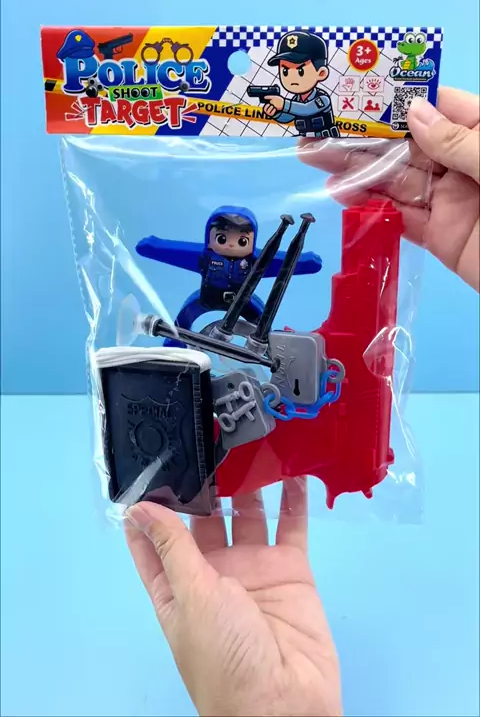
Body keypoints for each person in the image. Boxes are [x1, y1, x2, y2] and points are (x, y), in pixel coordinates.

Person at [125, 88, 479, 717]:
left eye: (241, 240)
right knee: (207, 338)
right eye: (225, 239)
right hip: (212, 337)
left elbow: (292, 272)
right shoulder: (207, 266)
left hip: (255, 354)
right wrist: (152, 251)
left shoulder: (265, 282)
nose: (232, 246)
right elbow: (169, 253)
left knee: (258, 339)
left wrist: (305, 261)